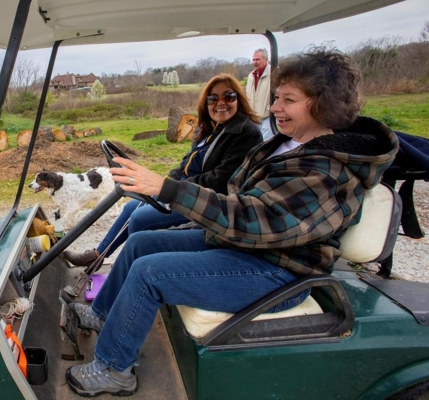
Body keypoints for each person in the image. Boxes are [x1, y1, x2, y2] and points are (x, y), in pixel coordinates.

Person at [64, 47, 398, 397]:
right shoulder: (293, 144)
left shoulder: (325, 171)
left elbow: (256, 219)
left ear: (322, 104)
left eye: (288, 100)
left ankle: (114, 368)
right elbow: (243, 199)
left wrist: (170, 189)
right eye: (276, 98)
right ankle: (103, 314)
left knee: (151, 273)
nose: (274, 108)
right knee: (141, 242)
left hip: (278, 271)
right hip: (250, 249)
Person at [63, 73, 263, 267]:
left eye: (228, 96)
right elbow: (187, 163)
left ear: (239, 98)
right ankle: (98, 256)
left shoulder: (245, 132)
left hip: (205, 203)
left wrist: (171, 188)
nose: (221, 103)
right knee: (130, 207)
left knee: (139, 219)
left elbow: (220, 180)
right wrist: (164, 180)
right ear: (206, 103)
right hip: (183, 191)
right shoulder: (213, 129)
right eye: (213, 98)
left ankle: (126, 269)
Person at [246, 48, 273, 140]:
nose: (255, 62)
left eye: (258, 59)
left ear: (266, 59)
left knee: (265, 145)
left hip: (268, 118)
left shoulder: (273, 73)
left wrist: (270, 109)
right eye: (253, 60)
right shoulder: (251, 76)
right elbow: (248, 96)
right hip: (254, 119)